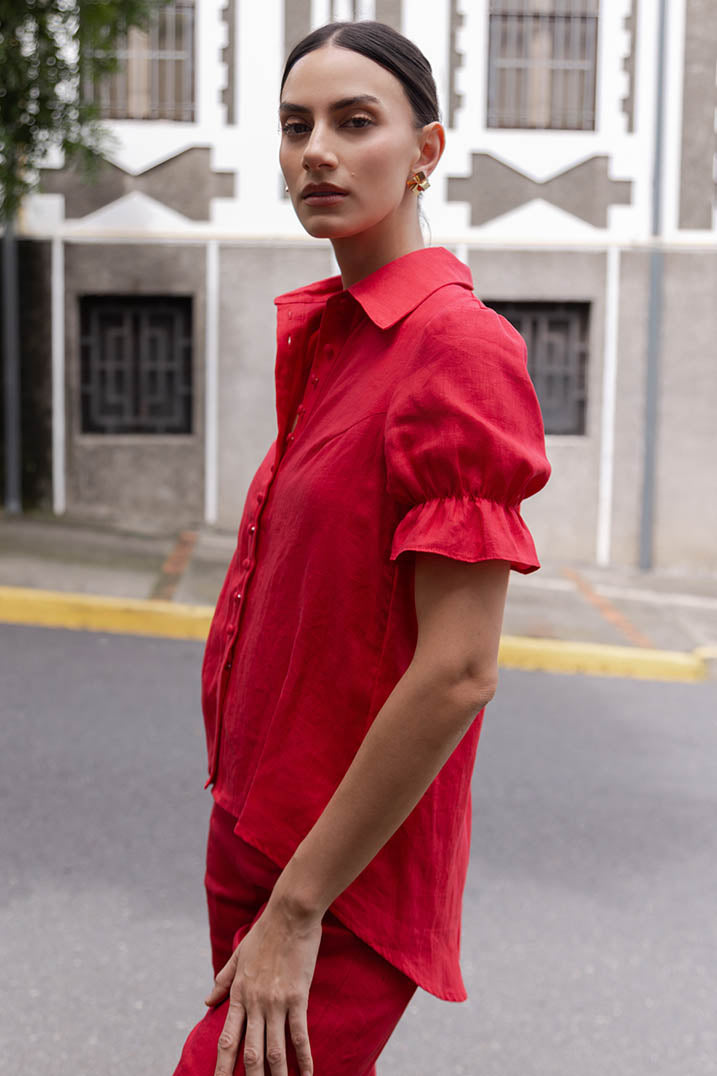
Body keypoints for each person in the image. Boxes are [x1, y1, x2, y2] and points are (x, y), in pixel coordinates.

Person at [172, 19, 550, 1076]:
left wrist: (299, 907)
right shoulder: (338, 334)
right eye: (297, 127)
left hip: (336, 874)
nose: (317, 152)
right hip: (258, 830)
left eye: (355, 121)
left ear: (427, 148)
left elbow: (460, 667)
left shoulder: (457, 347)